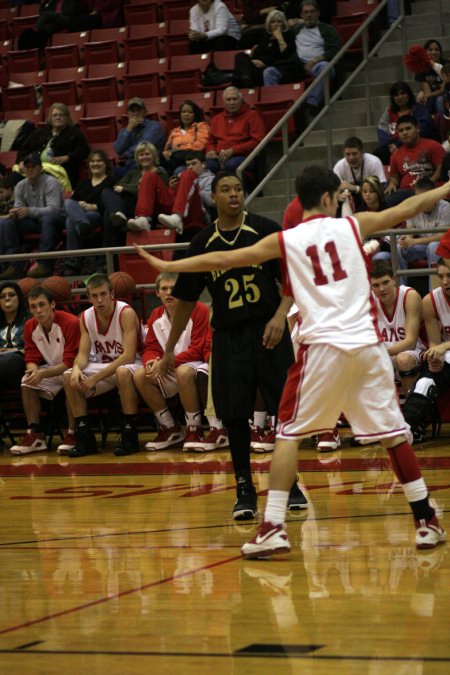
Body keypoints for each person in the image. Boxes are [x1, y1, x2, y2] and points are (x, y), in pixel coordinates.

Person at [134, 165, 449, 554]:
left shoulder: (287, 239)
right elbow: (409, 207)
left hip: (324, 349)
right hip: (369, 348)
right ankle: (426, 522)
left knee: (287, 434)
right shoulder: (354, 226)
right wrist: (447, 186)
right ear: (332, 198)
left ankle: (273, 526)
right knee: (392, 433)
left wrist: (169, 266)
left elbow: (226, 257)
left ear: (300, 201)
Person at [134, 171, 308, 519]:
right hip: (228, 337)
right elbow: (184, 300)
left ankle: (288, 482)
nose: (233, 194)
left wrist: (280, 316)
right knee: (234, 415)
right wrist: (168, 349)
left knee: (283, 413)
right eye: (225, 190)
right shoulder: (202, 242)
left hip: (268, 331)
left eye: (238, 189)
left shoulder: (264, 229)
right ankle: (244, 486)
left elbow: (292, 279)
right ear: (213, 197)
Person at [133, 271, 228, 453]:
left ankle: (194, 428)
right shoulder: (155, 315)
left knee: (183, 371)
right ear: (157, 293)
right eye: (164, 289)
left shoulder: (199, 309)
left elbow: (198, 349)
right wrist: (150, 362)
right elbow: (151, 346)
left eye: (173, 288)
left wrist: (166, 363)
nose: (169, 292)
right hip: (168, 366)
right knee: (140, 375)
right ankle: (170, 428)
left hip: (194, 364)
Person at [62, 274, 143, 458]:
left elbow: (128, 356)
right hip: (105, 367)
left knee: (122, 372)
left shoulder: (126, 313)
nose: (99, 300)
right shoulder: (86, 317)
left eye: (103, 294)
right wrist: (76, 369)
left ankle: (130, 434)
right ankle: (85, 437)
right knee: (68, 376)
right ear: (89, 298)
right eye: (94, 296)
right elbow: (83, 355)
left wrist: (95, 378)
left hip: (134, 365)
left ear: (112, 294)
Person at [9, 286, 80, 456]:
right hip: (51, 368)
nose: (38, 310)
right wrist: (33, 372)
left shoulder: (70, 322)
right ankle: (35, 435)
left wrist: (41, 374)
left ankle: (73, 434)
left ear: (52, 304)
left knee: (67, 377)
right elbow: (31, 357)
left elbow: (70, 362)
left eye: (42, 305)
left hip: (76, 368)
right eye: (33, 306)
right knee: (26, 382)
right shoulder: (29, 326)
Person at [262, 1, 340, 116]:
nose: (309, 15)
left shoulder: (327, 29)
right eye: (306, 12)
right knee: (269, 72)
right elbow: (281, 36)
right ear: (301, 15)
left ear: (318, 13)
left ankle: (311, 103)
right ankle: (277, 107)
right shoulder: (296, 30)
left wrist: (315, 60)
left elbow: (334, 50)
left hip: (318, 63)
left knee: (325, 67)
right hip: (296, 65)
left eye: (312, 12)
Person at [402, 260, 450, 443]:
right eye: (441, 277)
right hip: (448, 356)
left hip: (448, 349)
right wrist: (434, 358)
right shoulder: (430, 300)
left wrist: (443, 347)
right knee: (425, 382)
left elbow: (442, 345)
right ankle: (407, 430)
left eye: (449, 276)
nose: (445, 282)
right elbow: (434, 343)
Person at [0, 152, 65, 281]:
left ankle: (44, 264)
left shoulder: (51, 182)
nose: (30, 169)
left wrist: (29, 211)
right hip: (33, 222)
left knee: (48, 218)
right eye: (27, 167)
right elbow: (19, 206)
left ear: (41, 168)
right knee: (5, 223)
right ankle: (14, 265)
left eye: (33, 166)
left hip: (56, 220)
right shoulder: (20, 185)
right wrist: (15, 213)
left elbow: (54, 209)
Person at [370, 261, 424, 395]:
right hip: (384, 353)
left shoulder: (409, 296)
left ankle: (410, 409)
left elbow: (410, 342)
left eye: (385, 282)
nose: (381, 289)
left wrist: (379, 353)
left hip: (412, 351)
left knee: (403, 360)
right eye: (376, 285)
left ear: (394, 279)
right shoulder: (368, 300)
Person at [102, 142, 169, 247]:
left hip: (147, 212)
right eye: (141, 155)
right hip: (127, 207)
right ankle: (118, 214)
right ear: (137, 158)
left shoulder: (160, 173)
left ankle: (110, 257)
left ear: (154, 156)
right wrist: (133, 188)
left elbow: (150, 194)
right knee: (107, 192)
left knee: (108, 215)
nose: (144, 157)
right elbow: (117, 187)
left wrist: (126, 189)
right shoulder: (133, 172)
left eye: (147, 154)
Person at [63, 149, 117, 276]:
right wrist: (80, 206)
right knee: (68, 206)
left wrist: (93, 206)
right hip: (81, 216)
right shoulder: (83, 183)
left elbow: (112, 204)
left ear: (105, 164)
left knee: (71, 221)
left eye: (99, 161)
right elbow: (72, 204)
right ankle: (83, 225)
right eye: (92, 161)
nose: (95, 164)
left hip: (98, 215)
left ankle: (73, 263)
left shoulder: (111, 181)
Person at [16, 102, 90, 189]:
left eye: (61, 115)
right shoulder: (39, 132)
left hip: (57, 172)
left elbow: (84, 150)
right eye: (55, 115)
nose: (58, 117)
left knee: (38, 180)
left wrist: (67, 157)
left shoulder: (74, 133)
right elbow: (23, 150)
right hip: (33, 168)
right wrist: (21, 162)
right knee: (14, 177)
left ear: (67, 117)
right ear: (50, 118)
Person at [396, 177, 450, 286]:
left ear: (433, 196)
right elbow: (410, 231)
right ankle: (402, 290)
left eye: (424, 197)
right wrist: (407, 239)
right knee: (398, 248)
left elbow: (442, 236)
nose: (420, 201)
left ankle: (433, 292)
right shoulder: (413, 207)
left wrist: (416, 241)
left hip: (440, 247)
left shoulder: (445, 207)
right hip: (421, 247)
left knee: (433, 246)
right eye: (417, 197)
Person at [205, 87, 265, 174]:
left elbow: (257, 141)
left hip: (243, 156)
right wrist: (210, 150)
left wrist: (233, 150)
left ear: (241, 100)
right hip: (219, 156)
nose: (232, 102)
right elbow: (210, 142)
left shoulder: (253, 115)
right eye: (228, 100)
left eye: (235, 99)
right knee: (207, 165)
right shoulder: (216, 119)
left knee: (231, 165)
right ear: (224, 102)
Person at [376, 82, 438, 165]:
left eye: (403, 93)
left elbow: (422, 130)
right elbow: (382, 129)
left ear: (408, 94)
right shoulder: (389, 112)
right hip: (394, 146)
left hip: (416, 144)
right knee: (379, 153)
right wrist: (391, 146)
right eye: (396, 95)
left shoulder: (419, 109)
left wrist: (398, 144)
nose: (400, 97)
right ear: (393, 98)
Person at [157, 151, 215, 240]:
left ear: (203, 164)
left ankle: (178, 217)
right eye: (188, 165)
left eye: (194, 163)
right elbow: (174, 199)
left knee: (188, 174)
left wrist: (197, 189)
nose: (190, 167)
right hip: (177, 210)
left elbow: (212, 201)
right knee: (149, 177)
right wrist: (172, 188)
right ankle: (143, 218)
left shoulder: (211, 179)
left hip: (198, 214)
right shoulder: (182, 176)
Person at [232, 10, 295, 89]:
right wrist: (254, 59)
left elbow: (286, 55)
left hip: (272, 68)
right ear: (268, 25)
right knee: (240, 55)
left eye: (279, 21)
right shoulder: (265, 37)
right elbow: (256, 54)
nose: (276, 24)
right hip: (255, 68)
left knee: (242, 72)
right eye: (273, 22)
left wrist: (280, 38)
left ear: (284, 24)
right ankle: (245, 78)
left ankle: (240, 80)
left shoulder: (288, 36)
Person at [385, 115, 446, 195]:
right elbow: (394, 177)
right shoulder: (395, 155)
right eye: (401, 130)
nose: (404, 133)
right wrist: (392, 184)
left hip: (432, 189)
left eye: (408, 128)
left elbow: (441, 169)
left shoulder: (433, 146)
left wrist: (428, 184)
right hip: (407, 192)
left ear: (417, 129)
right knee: (387, 200)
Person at [113, 98, 165, 177]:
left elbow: (144, 147)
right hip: (129, 166)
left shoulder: (154, 126)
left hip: (147, 164)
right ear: (128, 113)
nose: (136, 113)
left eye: (139, 110)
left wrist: (126, 154)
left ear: (145, 112)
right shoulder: (124, 130)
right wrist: (129, 129)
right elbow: (118, 149)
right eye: (132, 111)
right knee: (109, 172)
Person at [333, 137, 386, 211]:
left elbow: (381, 187)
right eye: (347, 154)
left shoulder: (374, 162)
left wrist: (354, 188)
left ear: (362, 153)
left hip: (370, 197)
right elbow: (333, 190)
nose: (351, 158)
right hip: (350, 198)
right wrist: (338, 196)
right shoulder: (339, 167)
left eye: (354, 154)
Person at [162, 100, 210, 177]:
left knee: (178, 171)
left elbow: (199, 146)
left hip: (193, 160)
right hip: (175, 160)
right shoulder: (174, 131)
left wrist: (179, 149)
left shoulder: (201, 126)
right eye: (183, 112)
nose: (186, 114)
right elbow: (167, 150)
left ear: (195, 114)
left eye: (190, 112)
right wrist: (166, 153)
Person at [0, 281, 28, 393]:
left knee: (10, 360)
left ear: (19, 298)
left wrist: (15, 351)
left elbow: (39, 347)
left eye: (11, 295)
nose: (7, 299)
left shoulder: (30, 318)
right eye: (2, 297)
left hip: (22, 363)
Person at [415, 39, 446, 115]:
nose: (434, 52)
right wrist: (423, 94)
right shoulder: (422, 69)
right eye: (430, 50)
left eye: (437, 50)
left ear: (440, 52)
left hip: (446, 94)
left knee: (439, 100)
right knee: (422, 100)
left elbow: (443, 90)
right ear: (425, 53)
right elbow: (427, 91)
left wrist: (425, 95)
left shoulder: (446, 65)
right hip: (433, 97)